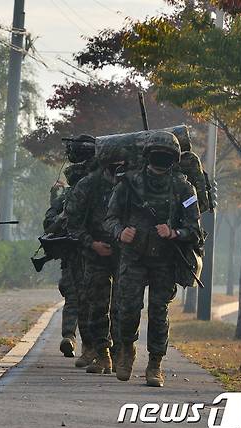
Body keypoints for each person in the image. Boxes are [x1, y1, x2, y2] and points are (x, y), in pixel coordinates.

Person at [104, 131, 202, 387]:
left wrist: (174, 232)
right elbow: (110, 218)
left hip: (165, 259)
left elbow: (194, 228)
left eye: (167, 155)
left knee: (159, 313)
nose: (161, 159)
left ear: (175, 158)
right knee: (127, 310)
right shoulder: (128, 183)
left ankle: (155, 363)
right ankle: (126, 350)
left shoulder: (184, 188)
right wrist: (120, 232)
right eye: (157, 154)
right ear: (147, 155)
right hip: (133, 256)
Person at [64, 144, 126, 374]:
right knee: (97, 306)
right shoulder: (88, 185)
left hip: (124, 253)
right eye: (115, 165)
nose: (119, 169)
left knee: (123, 307)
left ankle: (122, 354)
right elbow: (73, 222)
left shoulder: (131, 183)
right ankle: (102, 354)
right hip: (94, 253)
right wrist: (92, 244)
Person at [43, 163, 91, 360]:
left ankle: (73, 337)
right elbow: (50, 225)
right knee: (84, 299)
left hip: (87, 255)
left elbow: (48, 223)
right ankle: (78, 341)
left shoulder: (69, 198)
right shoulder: (70, 199)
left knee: (77, 299)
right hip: (81, 255)